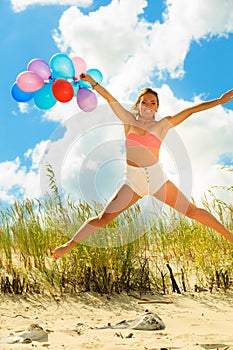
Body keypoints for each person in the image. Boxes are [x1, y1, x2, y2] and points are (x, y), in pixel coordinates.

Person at [52, 73, 233, 260]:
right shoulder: (128, 121)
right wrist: (92, 82)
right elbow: (110, 99)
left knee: (191, 211)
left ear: (157, 107)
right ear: (138, 104)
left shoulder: (162, 125)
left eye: (153, 103)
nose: (148, 105)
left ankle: (229, 236)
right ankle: (69, 245)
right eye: (145, 102)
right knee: (103, 219)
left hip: (157, 179)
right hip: (132, 181)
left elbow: (190, 111)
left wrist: (220, 100)